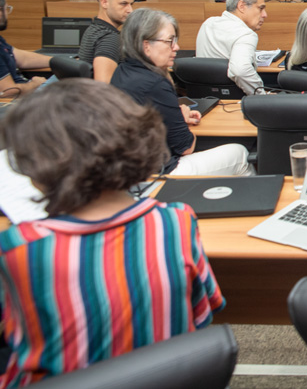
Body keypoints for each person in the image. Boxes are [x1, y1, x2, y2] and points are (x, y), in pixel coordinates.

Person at [0, 79, 225, 386]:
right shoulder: (176, 221)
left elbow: (17, 335)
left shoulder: (19, 249)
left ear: (34, 166)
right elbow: (203, 314)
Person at [111, 8, 252, 176]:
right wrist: (180, 121)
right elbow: (186, 147)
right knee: (239, 153)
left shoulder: (121, 71)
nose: (176, 47)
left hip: (130, 169)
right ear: (146, 45)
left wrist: (175, 115)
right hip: (159, 173)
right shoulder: (155, 83)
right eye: (170, 41)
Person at [195, 0, 268, 95]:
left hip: (205, 100)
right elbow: (240, 71)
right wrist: (262, 96)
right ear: (241, 6)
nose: (265, 15)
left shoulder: (207, 24)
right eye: (260, 8)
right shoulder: (246, 34)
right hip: (235, 103)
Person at [77, 0, 135, 83]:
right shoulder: (110, 38)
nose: (130, 10)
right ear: (104, 2)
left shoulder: (93, 29)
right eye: (123, 4)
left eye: (131, 4)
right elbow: (103, 85)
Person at [0, 0, 50, 99]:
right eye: (7, 9)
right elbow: (7, 91)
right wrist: (35, 84)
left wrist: (56, 61)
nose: (8, 14)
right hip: (15, 104)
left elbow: (21, 58)